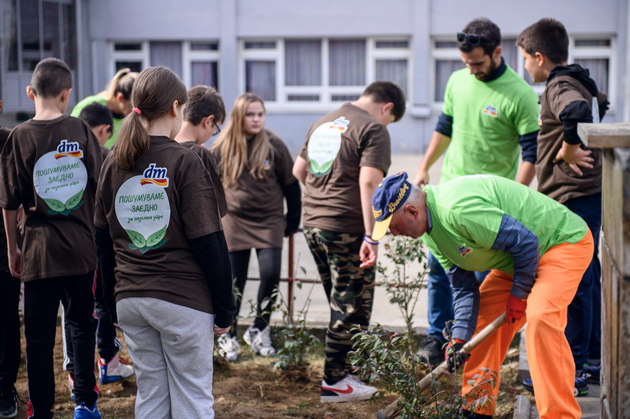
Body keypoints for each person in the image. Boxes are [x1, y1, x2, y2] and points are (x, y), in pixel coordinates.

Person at [371, 172, 593, 418]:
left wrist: (519, 295)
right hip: (518, 262)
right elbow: (463, 287)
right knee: (482, 321)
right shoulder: (431, 233)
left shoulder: (456, 210)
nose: (394, 233)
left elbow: (526, 243)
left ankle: (559, 415)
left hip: (560, 243)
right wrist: (458, 339)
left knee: (541, 319)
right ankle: (477, 409)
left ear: (412, 211)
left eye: (394, 226)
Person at [94, 66, 235, 418]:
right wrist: (225, 306)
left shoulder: (114, 161)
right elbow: (209, 242)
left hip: (131, 301)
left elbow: (102, 240)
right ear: (176, 108)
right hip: (181, 301)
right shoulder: (184, 160)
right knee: (192, 397)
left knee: (152, 395)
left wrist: (110, 303)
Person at [412, 17, 540, 366]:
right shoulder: (458, 80)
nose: (470, 70)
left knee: (479, 284)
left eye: (478, 63)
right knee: (440, 272)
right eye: (465, 63)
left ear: (498, 52)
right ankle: (435, 338)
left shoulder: (521, 95)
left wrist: (516, 199)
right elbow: (445, 127)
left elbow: (531, 155)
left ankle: (468, 344)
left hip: (485, 206)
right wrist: (425, 166)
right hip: (445, 196)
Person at [0, 57, 102, 419]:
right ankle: (86, 403)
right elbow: (100, 185)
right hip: (80, 251)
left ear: (30, 92)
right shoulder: (80, 131)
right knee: (81, 326)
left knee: (40, 339)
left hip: (38, 254)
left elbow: (9, 202)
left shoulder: (20, 137)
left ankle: (41, 411)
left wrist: (13, 247)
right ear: (67, 94)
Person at [292, 81, 406, 402]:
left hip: (314, 223)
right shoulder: (373, 129)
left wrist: (324, 196)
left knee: (339, 299)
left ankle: (348, 371)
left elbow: (299, 170)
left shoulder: (324, 122)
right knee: (351, 303)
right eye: (390, 121)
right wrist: (373, 236)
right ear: (387, 108)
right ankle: (335, 381)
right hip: (347, 227)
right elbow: (369, 181)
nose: (387, 126)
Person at [517, 17, 608, 395]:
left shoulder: (560, 84)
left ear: (539, 57)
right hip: (581, 195)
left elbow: (575, 113)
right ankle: (592, 358)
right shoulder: (576, 79)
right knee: (588, 277)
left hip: (572, 198)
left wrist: (569, 147)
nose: (524, 66)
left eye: (524, 58)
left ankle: (576, 366)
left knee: (575, 282)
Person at [210, 93, 300, 361]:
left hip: (270, 220)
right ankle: (229, 334)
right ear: (239, 116)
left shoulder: (274, 144)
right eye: (251, 114)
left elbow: (292, 185)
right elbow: (208, 186)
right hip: (234, 221)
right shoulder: (222, 146)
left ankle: (259, 330)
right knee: (234, 281)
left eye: (260, 114)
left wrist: (292, 221)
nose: (257, 119)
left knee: (271, 275)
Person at [58, 102, 135, 390]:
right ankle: (98, 366)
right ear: (104, 130)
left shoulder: (59, 156)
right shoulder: (103, 157)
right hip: (95, 246)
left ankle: (83, 371)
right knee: (96, 305)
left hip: (61, 246)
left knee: (74, 312)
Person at [174, 85, 227, 221]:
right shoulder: (201, 155)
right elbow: (217, 209)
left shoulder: (162, 148)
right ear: (208, 121)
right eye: (215, 129)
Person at [0, 99, 20, 419]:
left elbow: (20, 191)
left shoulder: (10, 141)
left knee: (5, 319)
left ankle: (4, 387)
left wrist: (14, 244)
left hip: (3, 251)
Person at [71, 68, 138, 149]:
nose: (136, 109)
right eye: (132, 105)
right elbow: (71, 133)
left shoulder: (131, 116)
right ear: (120, 98)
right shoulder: (90, 105)